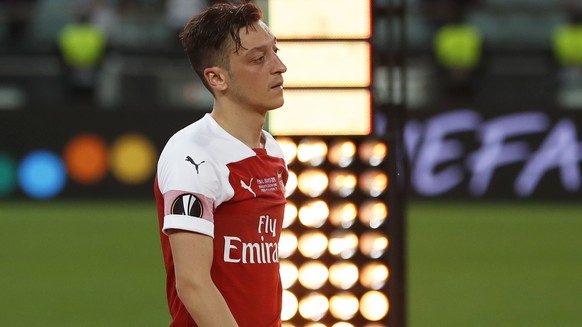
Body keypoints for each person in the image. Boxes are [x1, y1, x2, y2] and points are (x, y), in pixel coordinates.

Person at [154, 2, 288, 326]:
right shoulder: (192, 155)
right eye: (259, 59)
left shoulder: (272, 151)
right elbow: (194, 285)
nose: (279, 66)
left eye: (275, 51)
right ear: (217, 78)